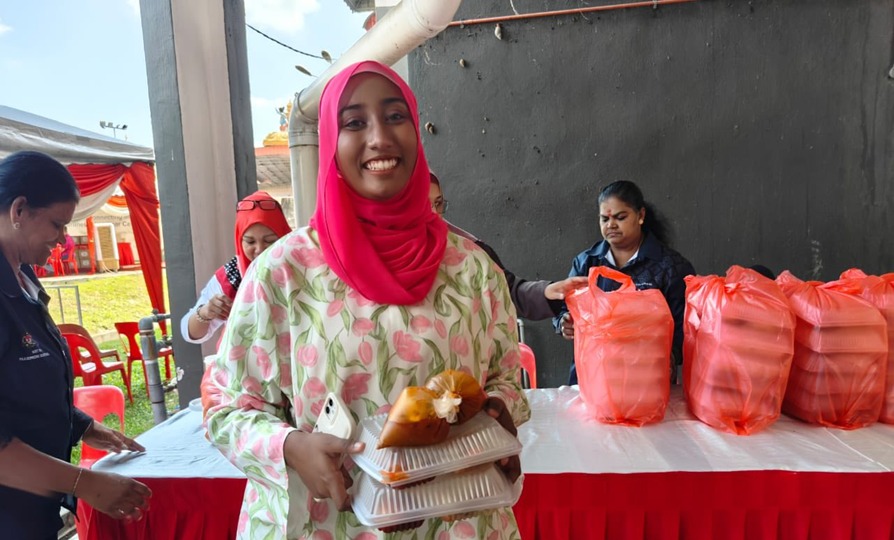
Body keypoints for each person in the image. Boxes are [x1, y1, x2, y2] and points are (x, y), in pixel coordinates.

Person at [206, 61, 529, 539]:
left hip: (455, 520)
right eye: (354, 122)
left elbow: (505, 378)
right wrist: (291, 447)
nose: (379, 138)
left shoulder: (472, 269)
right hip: (329, 525)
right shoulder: (283, 272)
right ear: (331, 144)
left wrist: (498, 417)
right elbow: (228, 407)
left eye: (396, 116)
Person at [0, 151, 151, 538]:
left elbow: (22, 387)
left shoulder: (23, 280)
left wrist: (80, 425)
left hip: (33, 507)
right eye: (57, 224)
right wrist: (86, 483)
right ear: (19, 210)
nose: (62, 240)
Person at [555, 180, 695, 385]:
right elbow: (563, 306)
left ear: (641, 215)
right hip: (592, 377)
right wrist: (564, 322)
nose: (611, 225)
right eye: (604, 219)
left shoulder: (670, 266)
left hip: (647, 379)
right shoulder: (587, 263)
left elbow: (686, 325)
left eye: (620, 217)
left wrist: (670, 356)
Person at [429, 172, 586, 320]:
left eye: (438, 203)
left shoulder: (471, 251)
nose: (434, 213)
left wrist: (546, 292)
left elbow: (505, 291)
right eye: (423, 203)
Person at [180, 190, 292, 345]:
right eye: (250, 242)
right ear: (239, 241)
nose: (259, 249)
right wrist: (206, 312)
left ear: (285, 237)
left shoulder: (300, 270)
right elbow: (191, 333)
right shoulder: (231, 277)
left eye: (269, 241)